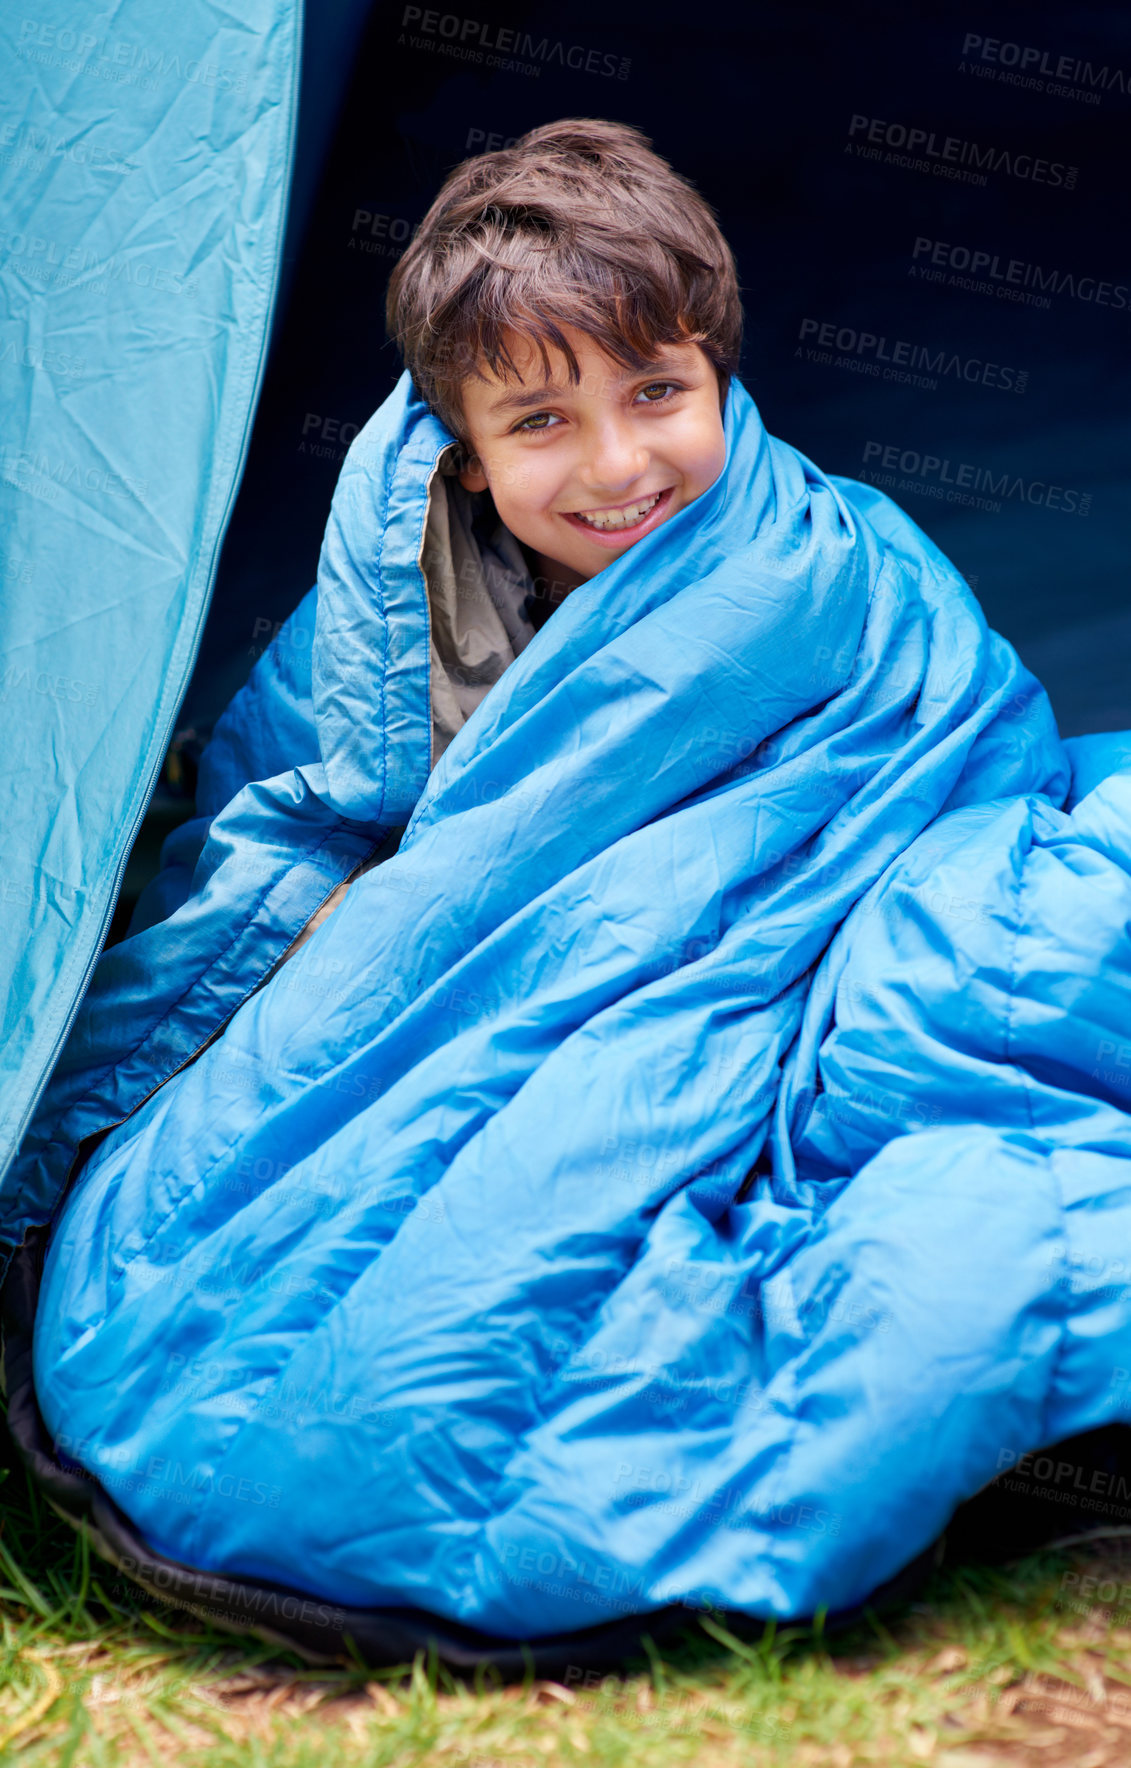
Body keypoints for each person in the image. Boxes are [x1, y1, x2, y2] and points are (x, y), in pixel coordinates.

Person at [16, 116, 1131, 1661]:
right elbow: (285, 814)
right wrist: (321, 930)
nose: (619, 464)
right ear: (463, 450)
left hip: (799, 936)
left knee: (1001, 976)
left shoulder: (831, 574)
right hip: (501, 976)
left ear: (721, 378)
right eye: (542, 422)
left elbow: (949, 753)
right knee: (242, 1287)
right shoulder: (393, 599)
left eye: (658, 393)